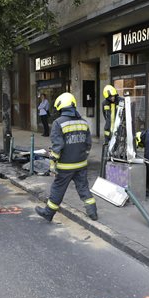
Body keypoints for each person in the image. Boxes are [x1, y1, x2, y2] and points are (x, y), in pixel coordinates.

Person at [35, 92, 97, 222]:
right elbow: (88, 144)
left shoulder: (58, 123)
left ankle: (48, 213)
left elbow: (58, 145)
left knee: (58, 188)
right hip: (81, 164)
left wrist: (53, 162)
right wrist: (83, 157)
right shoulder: (83, 122)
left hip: (65, 166)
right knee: (83, 188)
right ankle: (93, 212)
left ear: (61, 106)